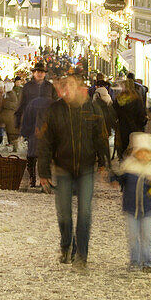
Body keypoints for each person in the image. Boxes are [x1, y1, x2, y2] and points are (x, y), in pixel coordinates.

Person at [38, 74, 109, 269]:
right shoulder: (54, 110)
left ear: (79, 87)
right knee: (64, 214)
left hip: (86, 167)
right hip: (63, 168)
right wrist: (43, 171)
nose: (66, 91)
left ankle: (81, 255)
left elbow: (101, 137)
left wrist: (103, 163)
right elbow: (45, 143)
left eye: (70, 86)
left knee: (85, 213)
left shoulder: (92, 108)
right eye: (63, 87)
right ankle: (66, 245)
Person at [112, 132, 151, 272]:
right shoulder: (129, 168)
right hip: (131, 208)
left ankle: (147, 262)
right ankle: (134, 260)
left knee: (146, 236)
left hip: (148, 209)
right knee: (133, 236)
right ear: (135, 153)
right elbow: (119, 179)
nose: (143, 156)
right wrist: (112, 179)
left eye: (146, 153)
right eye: (140, 152)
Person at [21, 91, 53, 188]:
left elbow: (26, 119)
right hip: (47, 135)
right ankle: (44, 181)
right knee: (45, 159)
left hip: (33, 134)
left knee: (31, 158)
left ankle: (32, 179)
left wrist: (25, 133)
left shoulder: (32, 103)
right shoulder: (52, 104)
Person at [15, 60, 57, 128]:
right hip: (31, 120)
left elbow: (55, 103)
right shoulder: (27, 86)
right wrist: (18, 121)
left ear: (45, 74)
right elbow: (22, 103)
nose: (40, 74)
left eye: (42, 72)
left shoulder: (50, 86)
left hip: (46, 121)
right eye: (38, 72)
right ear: (34, 73)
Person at [114, 81, 146, 159]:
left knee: (123, 149)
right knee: (134, 150)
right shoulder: (137, 98)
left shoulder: (118, 99)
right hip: (135, 128)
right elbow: (141, 114)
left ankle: (123, 163)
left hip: (122, 129)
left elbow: (114, 114)